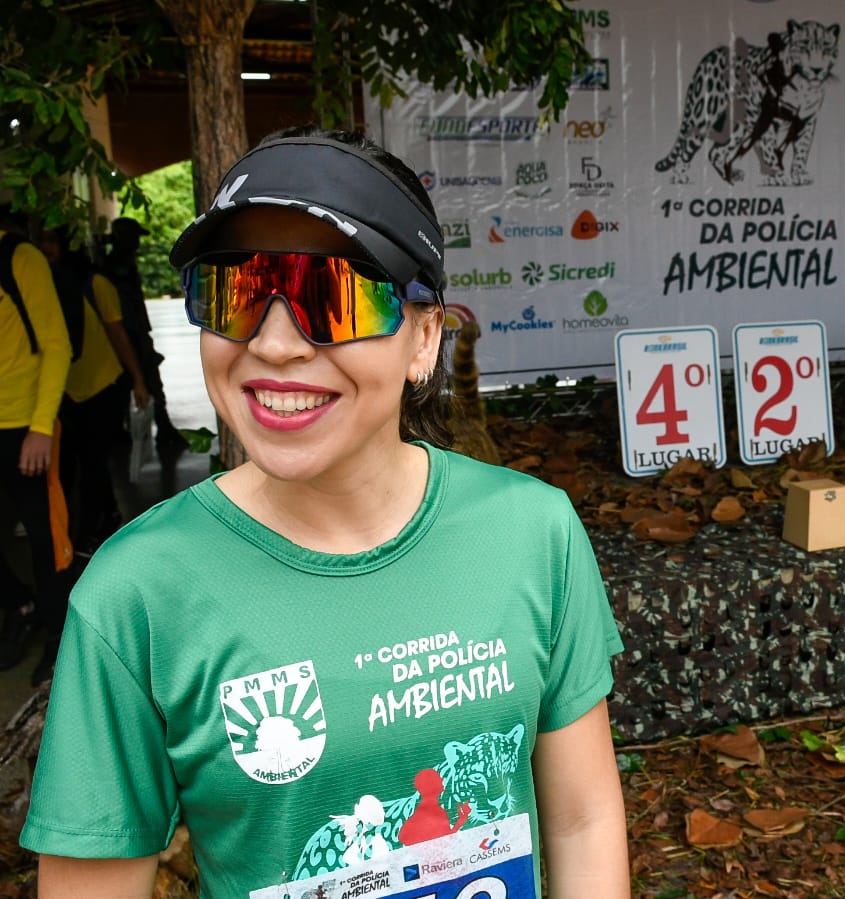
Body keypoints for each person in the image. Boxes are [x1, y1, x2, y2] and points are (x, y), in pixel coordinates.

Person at [22, 128, 630, 898]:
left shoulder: (533, 532)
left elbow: (580, 822)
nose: (275, 343)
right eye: (236, 291)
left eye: (332, 297)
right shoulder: (135, 594)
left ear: (424, 339)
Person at [39, 226, 149, 557]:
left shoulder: (95, 284)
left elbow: (119, 335)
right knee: (83, 464)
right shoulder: (43, 286)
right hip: (68, 391)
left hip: (105, 386)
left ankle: (91, 533)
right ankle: (106, 517)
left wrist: (138, 380)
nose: (45, 248)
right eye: (40, 240)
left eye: (51, 240)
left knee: (93, 463)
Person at [0, 208, 73, 684]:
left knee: (47, 542)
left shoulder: (18, 257)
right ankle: (20, 604)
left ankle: (59, 641)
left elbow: (57, 343)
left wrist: (41, 426)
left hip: (26, 426)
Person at [103, 216, 187, 454]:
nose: (137, 243)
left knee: (149, 382)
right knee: (146, 383)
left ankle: (161, 428)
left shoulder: (122, 264)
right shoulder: (117, 267)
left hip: (137, 333)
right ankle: (158, 430)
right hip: (130, 335)